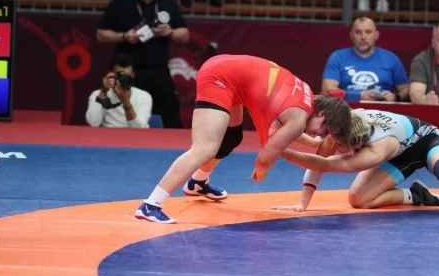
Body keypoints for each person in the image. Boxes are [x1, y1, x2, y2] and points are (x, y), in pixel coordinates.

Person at [135, 55, 352, 224]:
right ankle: (151, 205)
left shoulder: (305, 100)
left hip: (231, 75)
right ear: (322, 114)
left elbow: (288, 130)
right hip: (220, 77)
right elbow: (265, 157)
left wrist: (313, 143)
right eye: (325, 130)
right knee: (204, 149)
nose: (321, 134)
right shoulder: (298, 118)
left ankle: (198, 183)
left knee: (231, 136)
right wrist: (261, 172)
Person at [275, 109, 439, 227]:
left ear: (358, 144)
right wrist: (303, 202)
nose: (336, 148)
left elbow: (324, 164)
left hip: (427, 141)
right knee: (358, 199)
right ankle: (416, 195)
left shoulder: (377, 149)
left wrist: (278, 150)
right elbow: (321, 156)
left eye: (342, 148)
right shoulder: (342, 126)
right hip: (400, 152)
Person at [97, 0, 189, 129]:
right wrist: (124, 36)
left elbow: (184, 34)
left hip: (159, 69)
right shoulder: (120, 3)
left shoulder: (167, 3)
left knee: (171, 117)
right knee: (124, 116)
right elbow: (101, 34)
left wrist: (170, 32)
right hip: (129, 71)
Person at [321, 16, 409, 102]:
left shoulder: (391, 59)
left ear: (376, 35)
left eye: (368, 32)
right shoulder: (338, 57)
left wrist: (395, 97)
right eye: (358, 32)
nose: (363, 37)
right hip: (348, 109)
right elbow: (327, 90)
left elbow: (406, 91)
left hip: (383, 109)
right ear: (351, 35)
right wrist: (358, 96)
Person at [85, 53, 153, 128]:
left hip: (134, 135)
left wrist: (126, 103)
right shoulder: (98, 94)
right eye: (119, 75)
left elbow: (139, 128)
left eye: (127, 76)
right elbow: (93, 123)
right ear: (110, 74)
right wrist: (103, 93)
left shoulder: (143, 96)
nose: (122, 79)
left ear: (133, 75)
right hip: (109, 134)